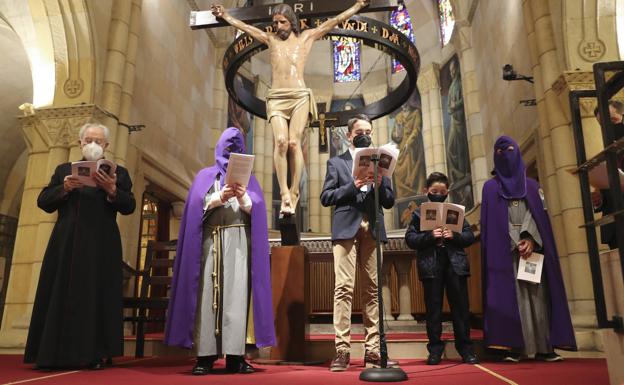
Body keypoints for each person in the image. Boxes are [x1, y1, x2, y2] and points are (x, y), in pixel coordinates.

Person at [212, 0, 369, 215]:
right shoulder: (271, 39)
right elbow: (247, 28)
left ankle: (294, 192)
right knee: (281, 141)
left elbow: (334, 21)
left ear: (292, 22)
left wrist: (358, 6)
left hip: (299, 95)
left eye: (282, 22)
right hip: (276, 96)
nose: (277, 26)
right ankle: (284, 192)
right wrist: (227, 17)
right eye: (275, 22)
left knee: (294, 143)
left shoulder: (306, 37)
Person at [24, 123, 136, 369]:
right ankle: (53, 352)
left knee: (96, 295)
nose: (93, 145)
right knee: (60, 292)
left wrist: (112, 189)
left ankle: (95, 352)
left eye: (98, 141)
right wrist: (64, 188)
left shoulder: (120, 173)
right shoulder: (64, 170)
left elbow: (129, 206)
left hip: (101, 245)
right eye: (88, 140)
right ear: (80, 143)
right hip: (67, 242)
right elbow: (43, 201)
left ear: (106, 146)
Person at [164, 127, 275, 375]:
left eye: (236, 150)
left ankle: (236, 356)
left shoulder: (251, 179)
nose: (231, 154)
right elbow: (195, 207)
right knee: (207, 297)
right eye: (228, 149)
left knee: (237, 298)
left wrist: (245, 198)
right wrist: (217, 197)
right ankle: (205, 356)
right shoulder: (205, 176)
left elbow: (257, 211)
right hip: (210, 242)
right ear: (219, 149)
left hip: (239, 243)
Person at [481, 135, 576, 362]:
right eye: (500, 151)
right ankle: (516, 347)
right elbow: (491, 223)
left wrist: (530, 238)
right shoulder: (490, 188)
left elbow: (540, 215)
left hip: (533, 249)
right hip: (506, 252)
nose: (506, 155)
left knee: (538, 296)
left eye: (510, 149)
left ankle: (545, 346)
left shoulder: (533, 186)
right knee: (513, 297)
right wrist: (515, 240)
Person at [320, 114, 397, 371]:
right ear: (350, 135)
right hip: (346, 228)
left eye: (369, 130)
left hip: (372, 226)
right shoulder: (337, 162)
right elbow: (326, 197)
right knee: (343, 288)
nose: (365, 134)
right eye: (360, 131)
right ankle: (342, 350)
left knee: (373, 289)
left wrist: (379, 183)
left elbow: (388, 200)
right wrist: (353, 186)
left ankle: (373, 350)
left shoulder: (380, 162)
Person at [404, 172, 478, 365]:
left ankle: (466, 350)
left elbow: (470, 236)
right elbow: (410, 239)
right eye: (434, 191)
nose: (438, 194)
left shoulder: (455, 211)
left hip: (456, 265)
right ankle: (435, 350)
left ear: (448, 192)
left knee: (461, 309)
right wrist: (430, 236)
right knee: (433, 310)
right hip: (431, 265)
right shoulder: (419, 213)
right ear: (426, 191)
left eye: (442, 191)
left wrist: (455, 236)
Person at [591, 100, 624, 250]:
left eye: (612, 120)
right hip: (616, 228)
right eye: (603, 125)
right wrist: (599, 199)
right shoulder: (606, 155)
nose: (608, 128)